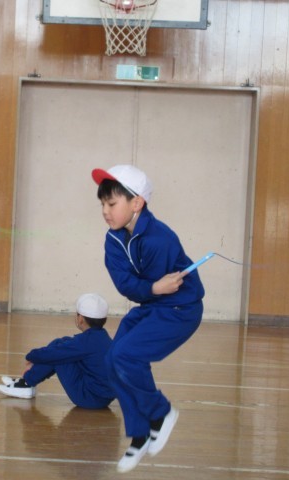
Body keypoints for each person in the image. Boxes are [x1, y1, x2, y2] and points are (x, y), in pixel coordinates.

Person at [91, 164, 205, 473]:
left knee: (127, 356)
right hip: (153, 304)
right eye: (102, 204)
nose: (105, 211)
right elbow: (127, 286)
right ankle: (140, 435)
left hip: (180, 310)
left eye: (111, 203)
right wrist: (153, 287)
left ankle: (161, 413)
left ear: (137, 203)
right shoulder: (113, 240)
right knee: (112, 359)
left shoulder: (160, 239)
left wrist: (152, 289)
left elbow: (145, 289)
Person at [0, 293, 116, 410]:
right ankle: (28, 381)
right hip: (102, 397)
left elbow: (53, 354)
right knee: (62, 344)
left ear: (80, 319)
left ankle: (26, 383)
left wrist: (31, 356)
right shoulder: (103, 338)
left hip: (89, 398)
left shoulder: (85, 342)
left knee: (57, 354)